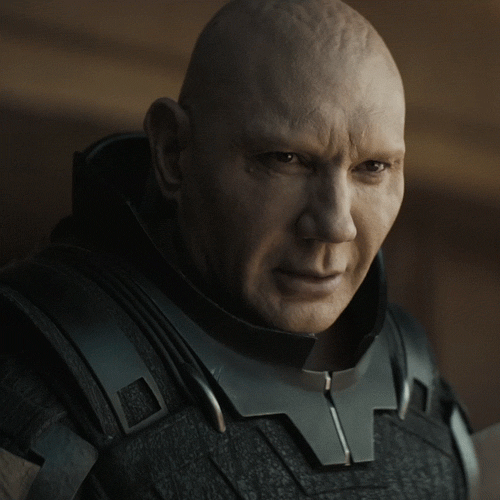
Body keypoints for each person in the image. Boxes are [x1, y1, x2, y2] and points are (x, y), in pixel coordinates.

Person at [0, 0, 483, 498]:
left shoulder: (414, 382)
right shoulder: (41, 375)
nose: (335, 225)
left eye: (373, 168)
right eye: (286, 158)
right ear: (173, 153)